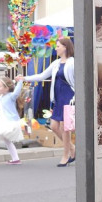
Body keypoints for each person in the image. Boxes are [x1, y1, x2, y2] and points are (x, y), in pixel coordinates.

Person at [22, 37, 76, 166]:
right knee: (53, 126)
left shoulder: (73, 63)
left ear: (65, 47)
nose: (56, 48)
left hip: (69, 97)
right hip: (58, 98)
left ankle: (65, 156)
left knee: (65, 128)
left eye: (58, 46)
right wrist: (24, 78)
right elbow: (41, 76)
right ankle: (72, 148)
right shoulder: (56, 63)